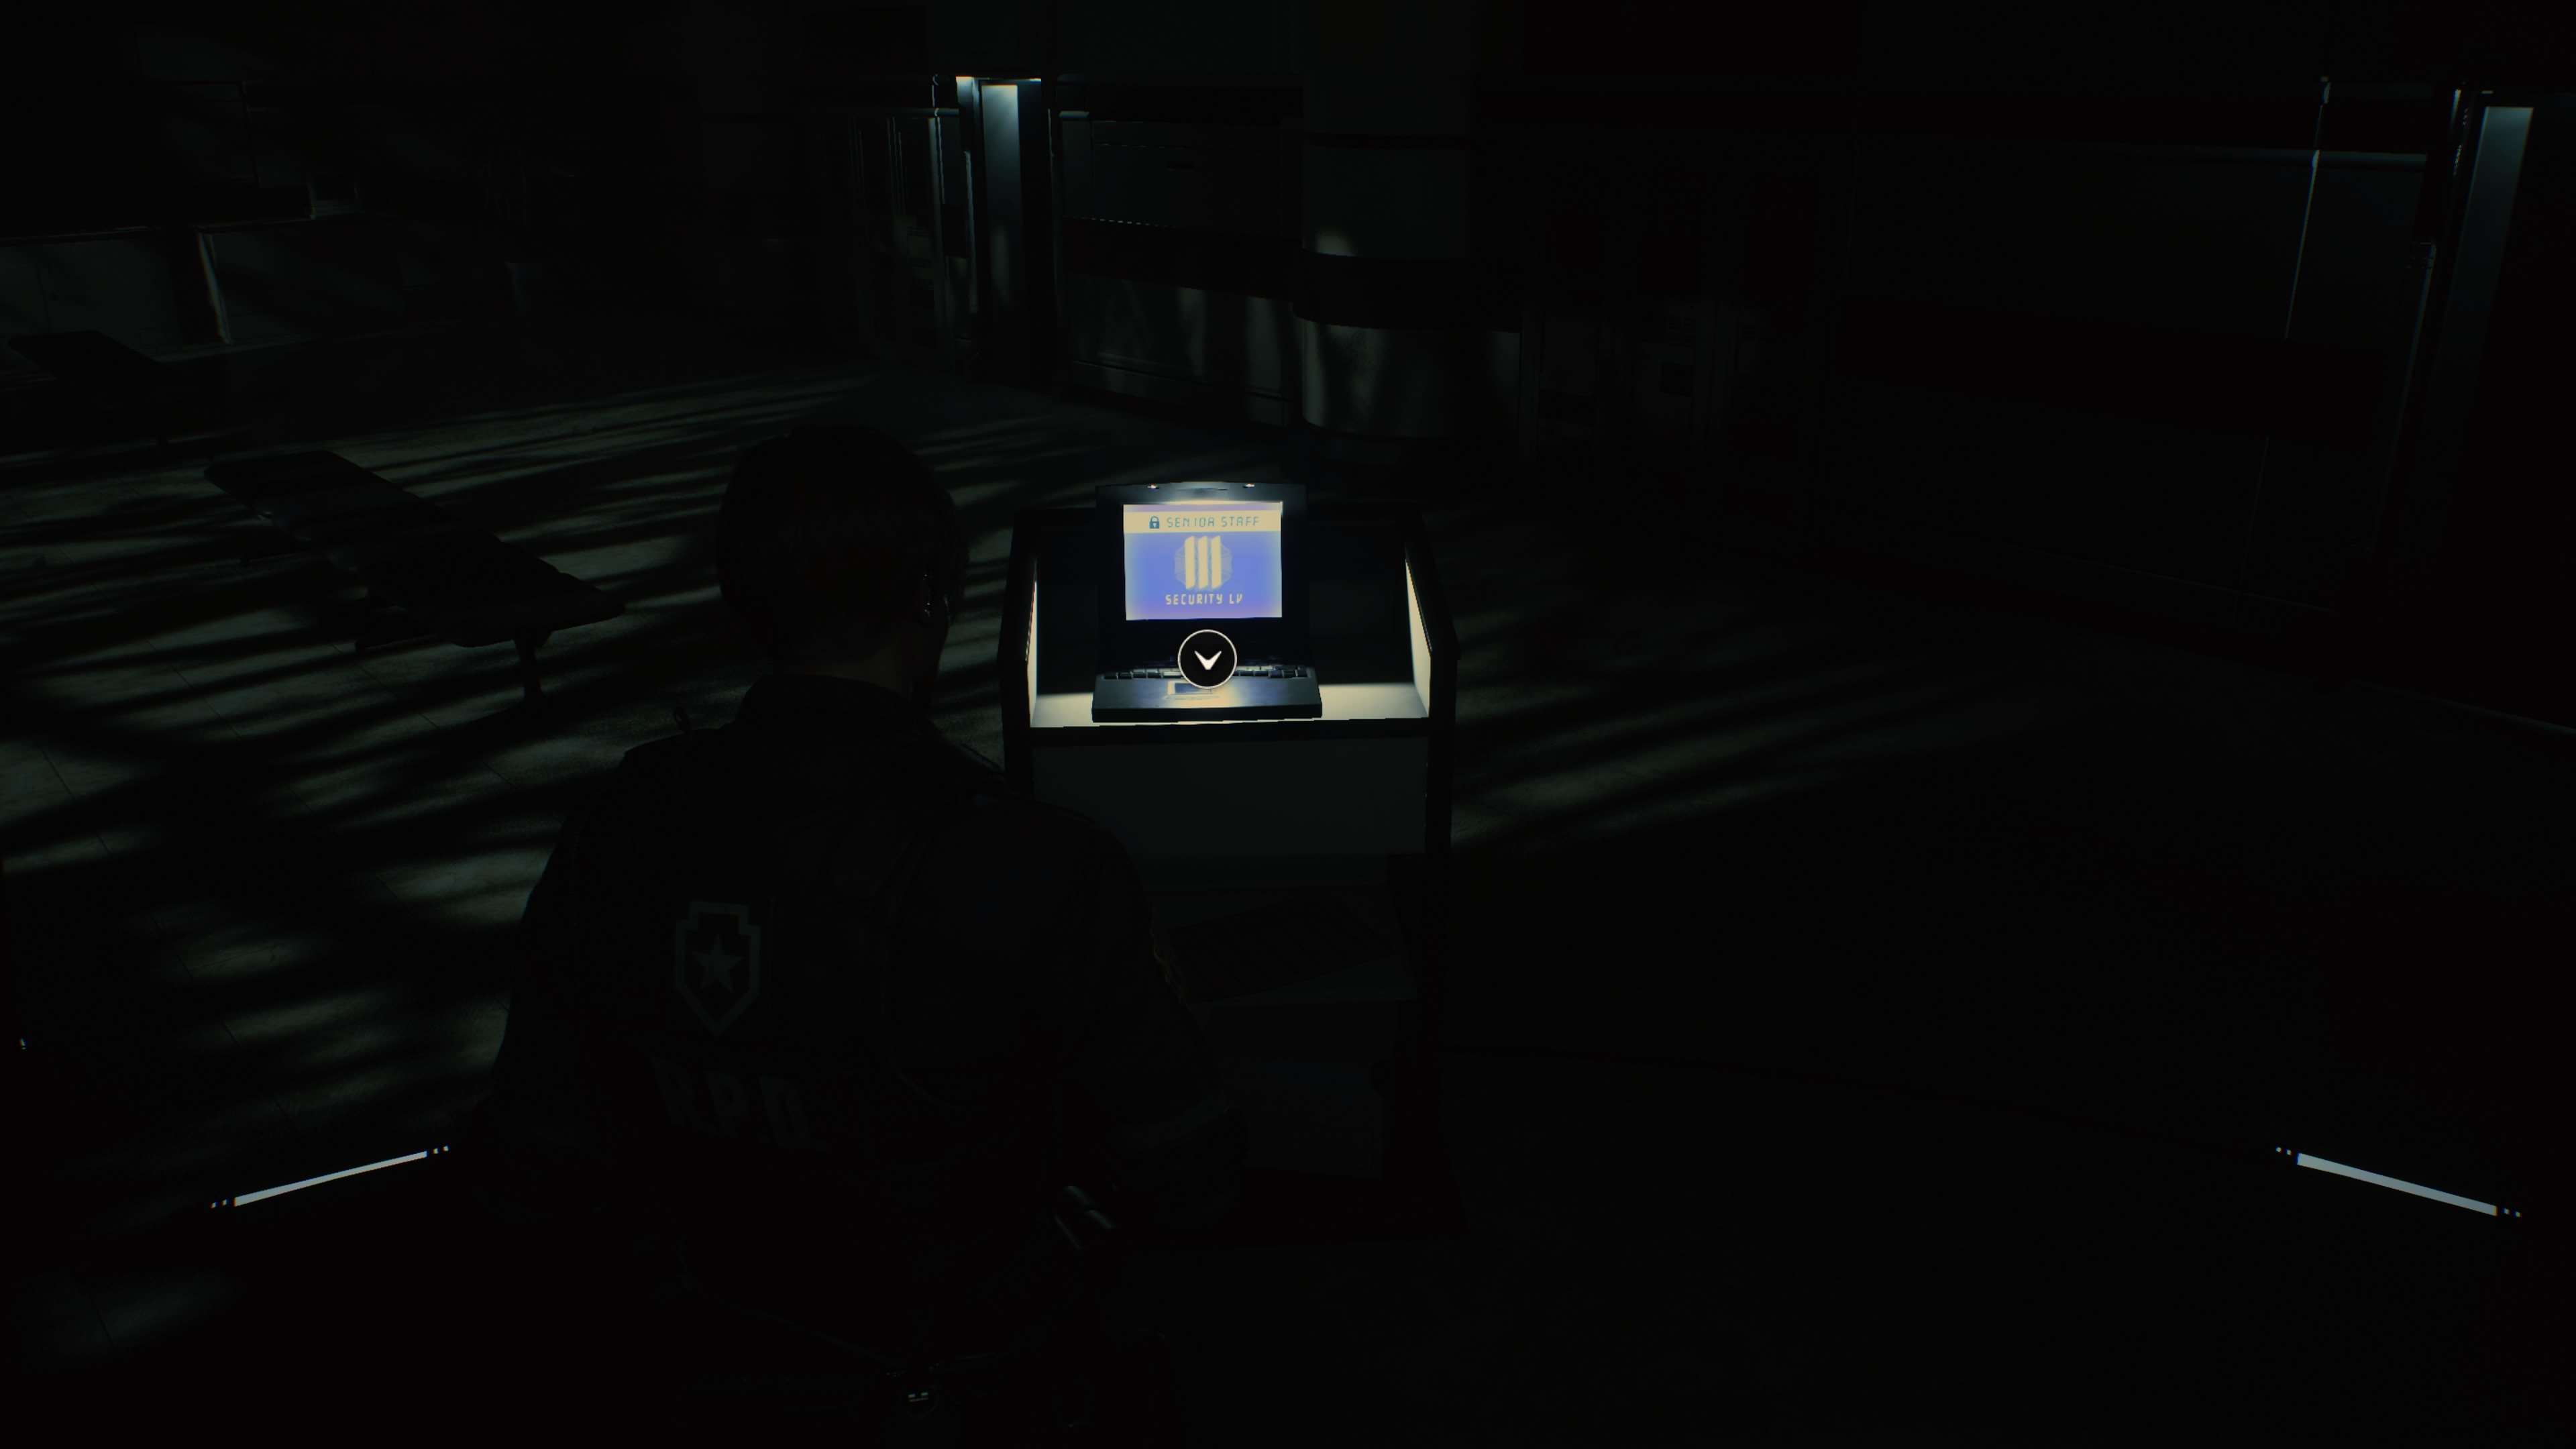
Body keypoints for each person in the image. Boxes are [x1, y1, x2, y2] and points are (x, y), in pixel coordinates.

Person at [462, 423, 1246, 1440]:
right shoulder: (1037, 860)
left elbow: (537, 1157)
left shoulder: (623, 823)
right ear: (928, 598)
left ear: (743, 599)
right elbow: (1188, 1173)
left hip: (706, 1366)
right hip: (978, 1378)